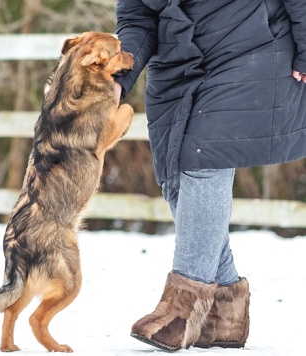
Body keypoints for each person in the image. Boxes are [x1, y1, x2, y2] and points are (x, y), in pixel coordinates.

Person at [113, 0, 306, 352]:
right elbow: (137, 17)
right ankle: (225, 313)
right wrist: (116, 78)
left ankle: (179, 311)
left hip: (250, 47)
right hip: (178, 63)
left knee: (204, 160)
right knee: (175, 178)